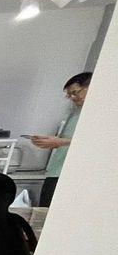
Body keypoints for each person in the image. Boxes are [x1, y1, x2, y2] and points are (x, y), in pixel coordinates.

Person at [30, 71, 91, 206]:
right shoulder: (74, 112)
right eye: (69, 95)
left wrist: (59, 142)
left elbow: (92, 143)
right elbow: (67, 140)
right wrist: (51, 142)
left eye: (75, 92)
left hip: (74, 175)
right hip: (55, 171)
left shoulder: (101, 115)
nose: (73, 98)